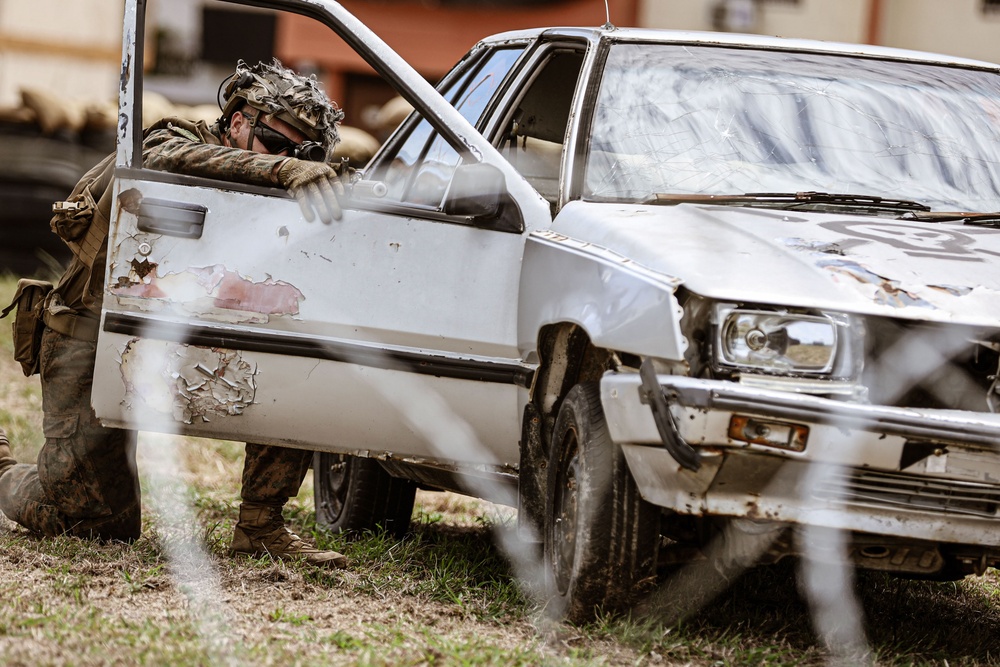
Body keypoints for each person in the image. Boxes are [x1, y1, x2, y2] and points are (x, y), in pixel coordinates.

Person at [0, 59, 350, 568]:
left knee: (291, 356)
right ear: (236, 123)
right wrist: (281, 169)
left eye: (303, 152)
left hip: (190, 341)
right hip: (92, 342)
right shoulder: (172, 137)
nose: (288, 159)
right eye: (277, 144)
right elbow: (167, 161)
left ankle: (260, 525)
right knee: (99, 524)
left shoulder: (275, 196)